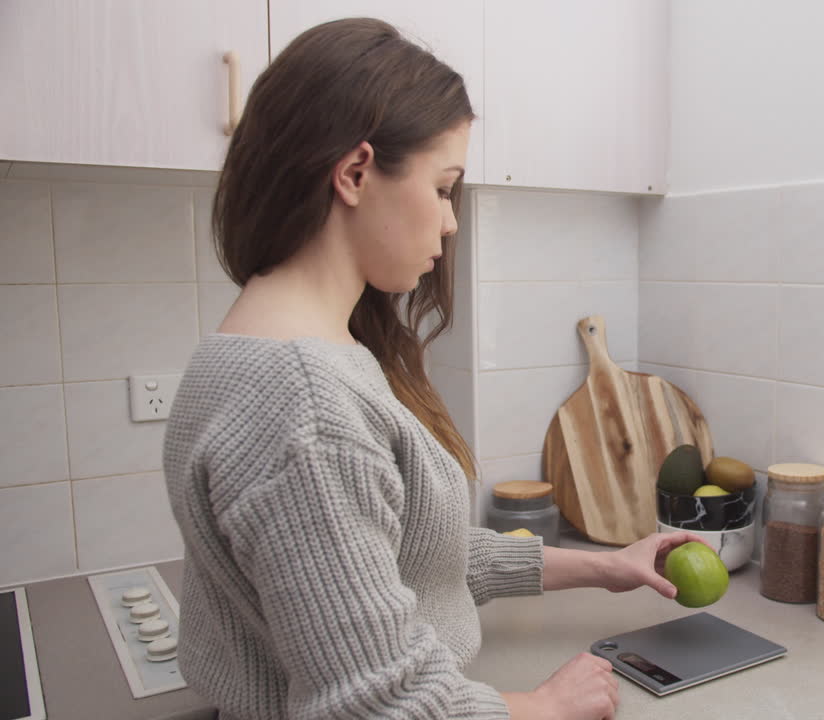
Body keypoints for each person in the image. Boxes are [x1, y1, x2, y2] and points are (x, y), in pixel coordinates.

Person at [164, 18, 707, 720]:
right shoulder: (306, 409)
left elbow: (413, 561)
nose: (451, 222)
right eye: (445, 186)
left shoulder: (258, 354)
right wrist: (542, 707)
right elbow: (374, 710)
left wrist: (607, 566)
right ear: (356, 174)